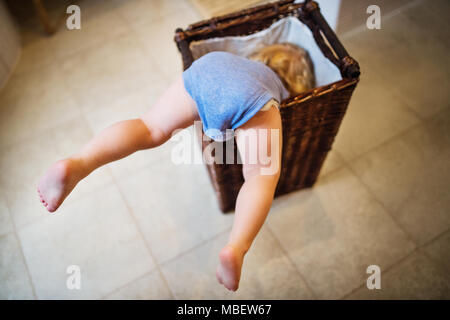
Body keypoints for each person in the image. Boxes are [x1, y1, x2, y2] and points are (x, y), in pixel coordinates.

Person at [37, 43, 314, 291]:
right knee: (260, 176)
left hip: (208, 68)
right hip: (251, 97)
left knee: (149, 126)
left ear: (262, 54)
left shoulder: (239, 59)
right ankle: (236, 248)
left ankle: (79, 163)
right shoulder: (276, 86)